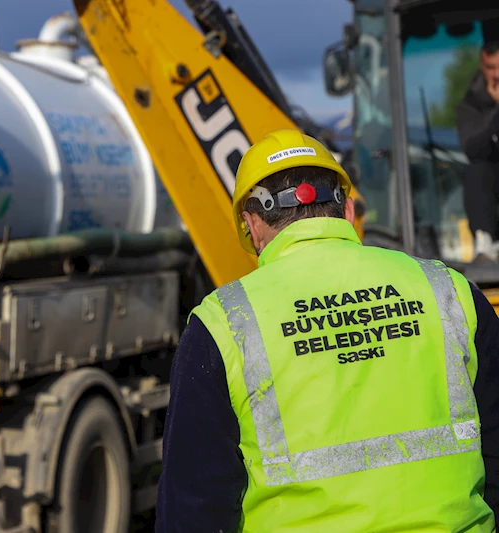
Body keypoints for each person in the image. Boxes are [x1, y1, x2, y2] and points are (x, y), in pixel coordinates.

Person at [155, 129, 499, 532]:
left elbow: (194, 508)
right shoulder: (450, 292)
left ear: (251, 225)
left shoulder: (222, 325)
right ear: (348, 210)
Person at [456, 35, 499, 262]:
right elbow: (472, 148)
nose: (497, 75)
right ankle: (485, 242)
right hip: (491, 190)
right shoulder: (469, 106)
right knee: (477, 169)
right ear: (483, 67)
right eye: (491, 68)